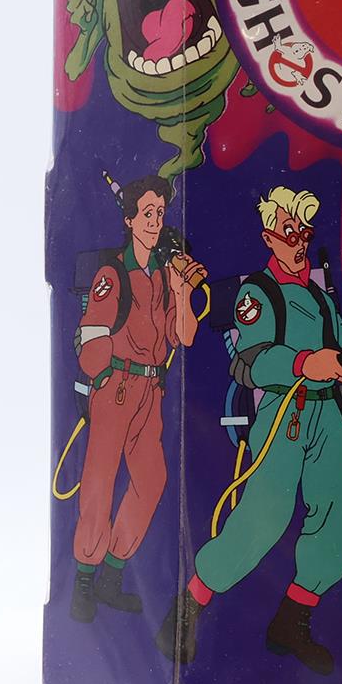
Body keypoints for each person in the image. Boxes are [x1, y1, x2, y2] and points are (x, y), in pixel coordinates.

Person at [156, 186, 342, 675]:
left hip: (329, 415)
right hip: (284, 414)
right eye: (289, 232)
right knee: (265, 516)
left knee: (340, 514)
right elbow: (255, 359)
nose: (298, 242)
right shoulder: (258, 294)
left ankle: (292, 621)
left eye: (304, 233)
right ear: (269, 239)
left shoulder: (319, 297)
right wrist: (305, 363)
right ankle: (189, 607)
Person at [69, 175, 203, 622]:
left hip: (151, 392)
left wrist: (182, 290)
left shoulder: (164, 277)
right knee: (99, 481)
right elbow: (91, 340)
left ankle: (112, 571)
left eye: (160, 213)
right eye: (147, 213)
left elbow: (183, 335)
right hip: (118, 388)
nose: (155, 221)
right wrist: (107, 372)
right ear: (129, 220)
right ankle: (84, 579)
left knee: (151, 479)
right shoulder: (113, 275)